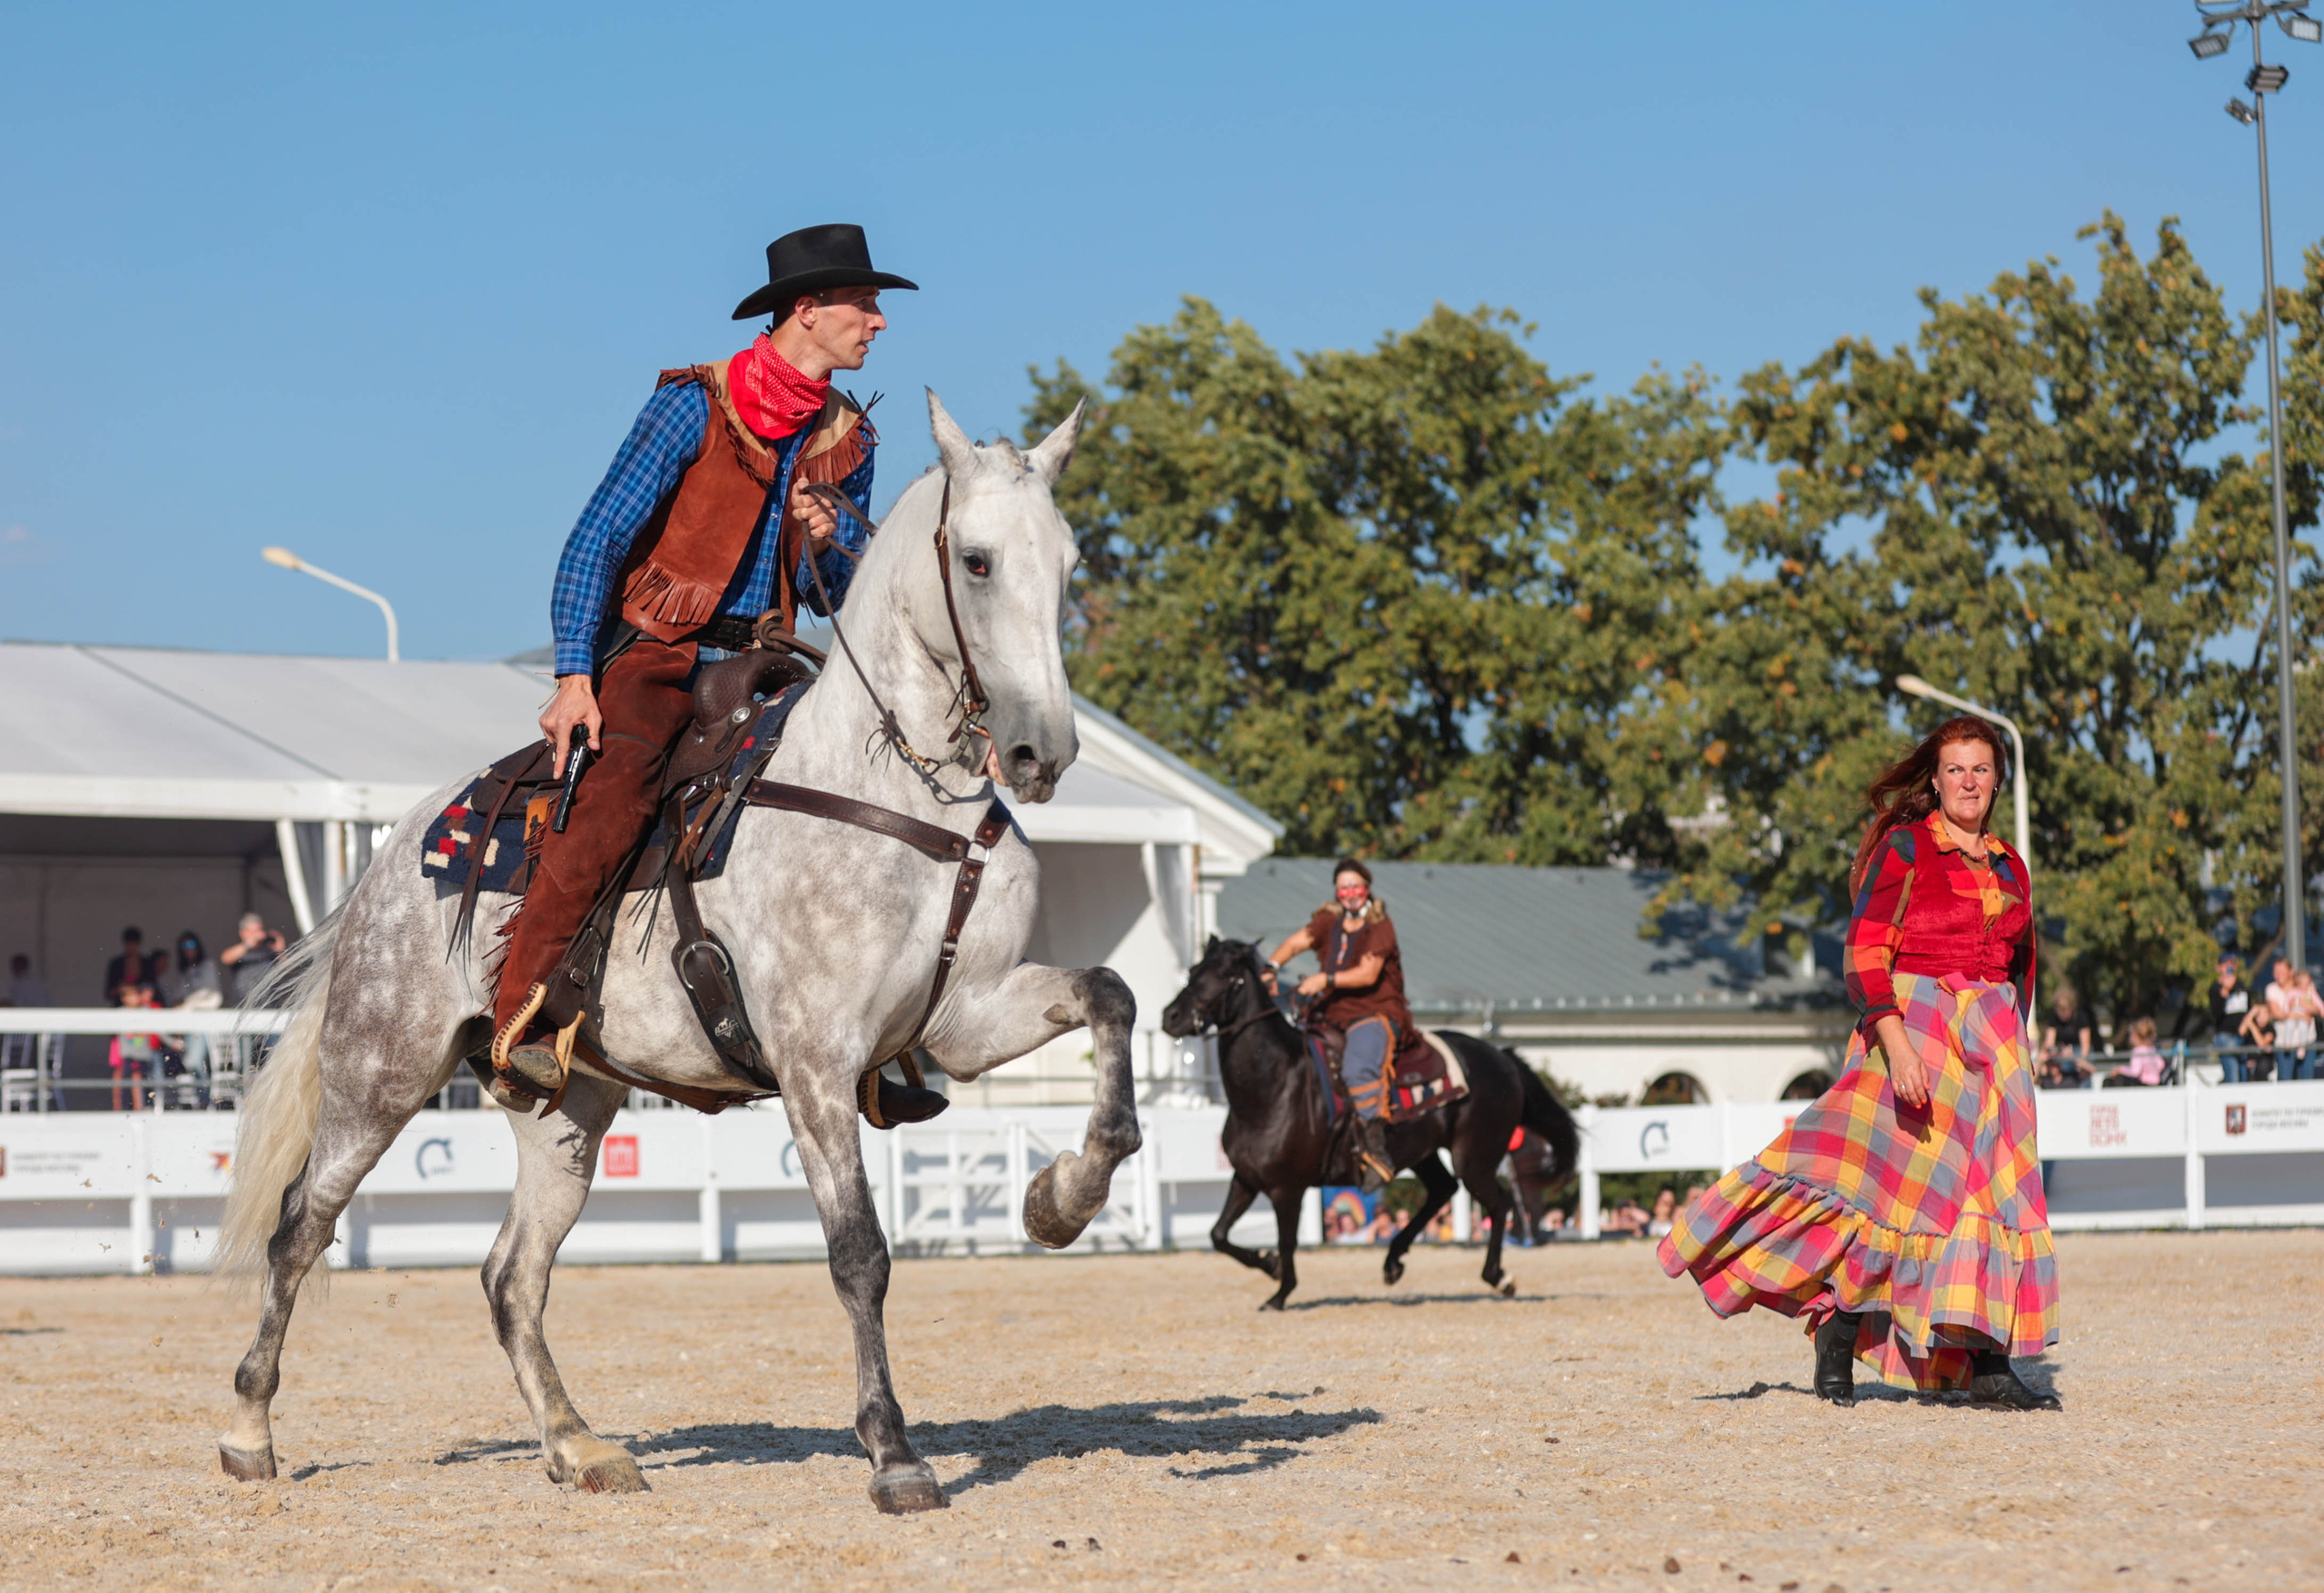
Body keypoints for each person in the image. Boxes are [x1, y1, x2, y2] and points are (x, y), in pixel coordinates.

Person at [490, 224, 913, 1113]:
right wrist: (576, 676)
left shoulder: (851, 440)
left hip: (765, 658)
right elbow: (593, 542)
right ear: (809, 310)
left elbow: (840, 590)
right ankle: (525, 1021)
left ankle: (877, 1049)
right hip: (656, 653)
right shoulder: (694, 403)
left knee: (866, 791)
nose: (877, 323)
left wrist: (829, 540)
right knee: (609, 802)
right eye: (863, 306)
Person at [1661, 715, 2059, 1411]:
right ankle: (1839, 1331)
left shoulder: (2010, 866)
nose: (1969, 781)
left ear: (1998, 779)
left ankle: (1987, 1358)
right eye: (1956, 769)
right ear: (1934, 781)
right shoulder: (1906, 848)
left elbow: (2020, 969)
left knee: (1991, 1198)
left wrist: (2015, 1049)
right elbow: (1866, 948)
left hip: (1992, 1046)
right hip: (1912, 1027)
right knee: (1888, 1195)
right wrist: (1896, 1040)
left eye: (1981, 769)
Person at [1265, 859, 1413, 1191]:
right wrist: (1272, 966)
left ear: (1367, 888)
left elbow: (1368, 973)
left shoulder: (1380, 925)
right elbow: (1294, 943)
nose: (1349, 893)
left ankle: (1377, 1151)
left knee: (1358, 1069)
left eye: (1355, 886)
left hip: (1372, 1014)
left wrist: (1324, 979)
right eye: (1343, 887)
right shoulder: (1327, 922)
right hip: (1330, 1014)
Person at [158, 931, 223, 1105]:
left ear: (198, 946)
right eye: (184, 947)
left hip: (203, 1026)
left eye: (191, 945)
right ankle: (199, 1100)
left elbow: (212, 997)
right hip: (186, 1028)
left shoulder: (207, 966)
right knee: (186, 1062)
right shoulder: (183, 974)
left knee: (194, 1061)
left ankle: (205, 1100)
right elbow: (176, 1002)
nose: (188, 950)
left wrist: (187, 1002)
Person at [219, 912, 286, 1007]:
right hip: (242, 1003)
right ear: (242, 933)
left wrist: (280, 950)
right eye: (252, 931)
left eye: (258, 930)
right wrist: (249, 944)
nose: (256, 935)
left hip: (268, 1003)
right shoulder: (240, 950)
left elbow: (286, 969)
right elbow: (225, 959)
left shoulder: (269, 950)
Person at [2205, 955, 2253, 1082]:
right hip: (2226, 1037)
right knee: (2233, 1077)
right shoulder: (2215, 988)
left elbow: (2249, 1010)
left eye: (2232, 964)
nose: (2230, 967)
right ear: (2219, 968)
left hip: (2242, 1037)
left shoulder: (2242, 986)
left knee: (2243, 1076)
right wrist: (2225, 990)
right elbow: (2215, 1014)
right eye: (2226, 964)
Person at [2038, 987, 2092, 1088]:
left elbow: (2086, 1046)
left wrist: (2079, 1062)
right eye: (2060, 1010)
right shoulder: (2053, 1019)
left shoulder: (2081, 1017)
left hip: (2078, 1052)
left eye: (2065, 1010)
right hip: (2062, 1052)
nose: (2062, 1014)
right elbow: (2050, 1044)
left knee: (2084, 1071)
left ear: (2072, 1007)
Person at [103, 927, 160, 1008]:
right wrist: (122, 989)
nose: (132, 948)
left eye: (135, 944)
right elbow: (108, 993)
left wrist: (141, 993)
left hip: (143, 1007)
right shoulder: (116, 964)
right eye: (130, 944)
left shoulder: (147, 964)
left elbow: (152, 988)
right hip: (120, 1008)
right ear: (125, 944)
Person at [2109, 1016, 2166, 1087]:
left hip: (2144, 1085)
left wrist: (2120, 1069)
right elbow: (2161, 1064)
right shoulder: (2152, 1050)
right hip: (2156, 1084)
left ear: (2135, 1036)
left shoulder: (2138, 1051)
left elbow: (2135, 1072)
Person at [2238, 993, 2280, 1083]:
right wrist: (2252, 1012)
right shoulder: (2250, 1026)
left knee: (2262, 1067)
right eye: (2259, 1014)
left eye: (2265, 1013)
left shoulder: (2270, 1029)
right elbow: (2241, 1031)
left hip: (2263, 1067)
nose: (2262, 1017)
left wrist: (2252, 1025)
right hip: (2249, 1065)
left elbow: (2262, 1043)